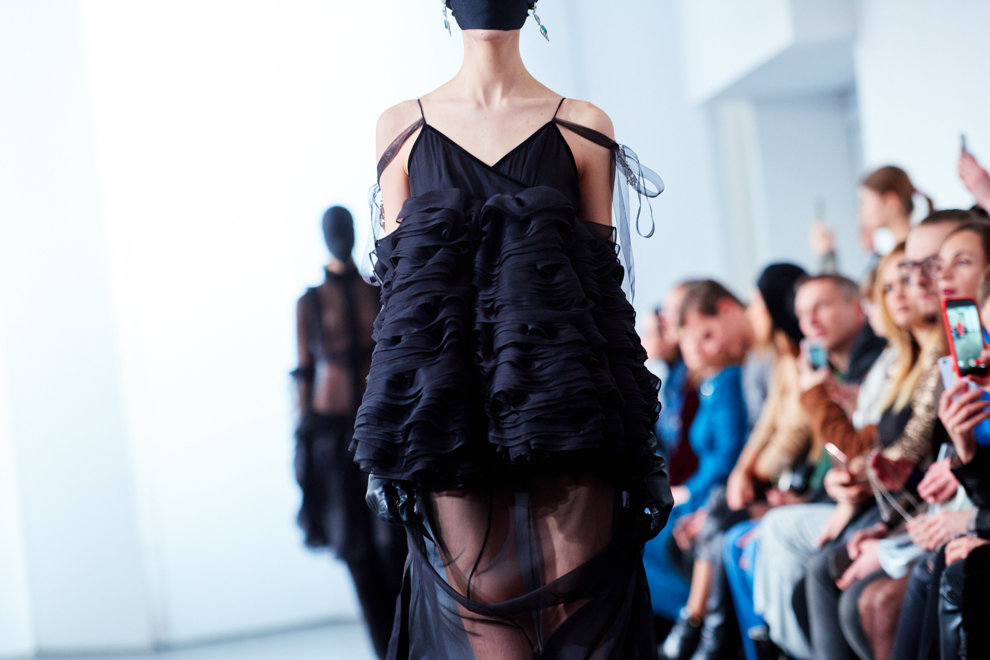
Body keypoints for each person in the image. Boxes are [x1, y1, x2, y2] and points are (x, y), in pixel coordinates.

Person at [351, 2, 672, 657]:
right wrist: (393, 431)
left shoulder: (585, 125)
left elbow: (602, 288)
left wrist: (640, 442)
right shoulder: (401, 127)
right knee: (481, 604)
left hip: (567, 401)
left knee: (583, 611)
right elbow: (402, 299)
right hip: (450, 409)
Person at [291, 206, 405, 658]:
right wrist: (303, 437)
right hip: (333, 435)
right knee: (355, 546)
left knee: (393, 539)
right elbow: (304, 369)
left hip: (380, 426)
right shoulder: (311, 301)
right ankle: (385, 648)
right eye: (334, 230)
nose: (342, 236)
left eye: (347, 229)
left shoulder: (374, 289)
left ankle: (408, 641)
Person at [645, 280, 749, 629]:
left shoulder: (727, 379)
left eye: (705, 336)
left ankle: (692, 622)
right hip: (703, 487)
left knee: (652, 535)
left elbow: (727, 456)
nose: (696, 347)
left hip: (712, 490)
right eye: (690, 339)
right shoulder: (707, 383)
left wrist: (688, 493)